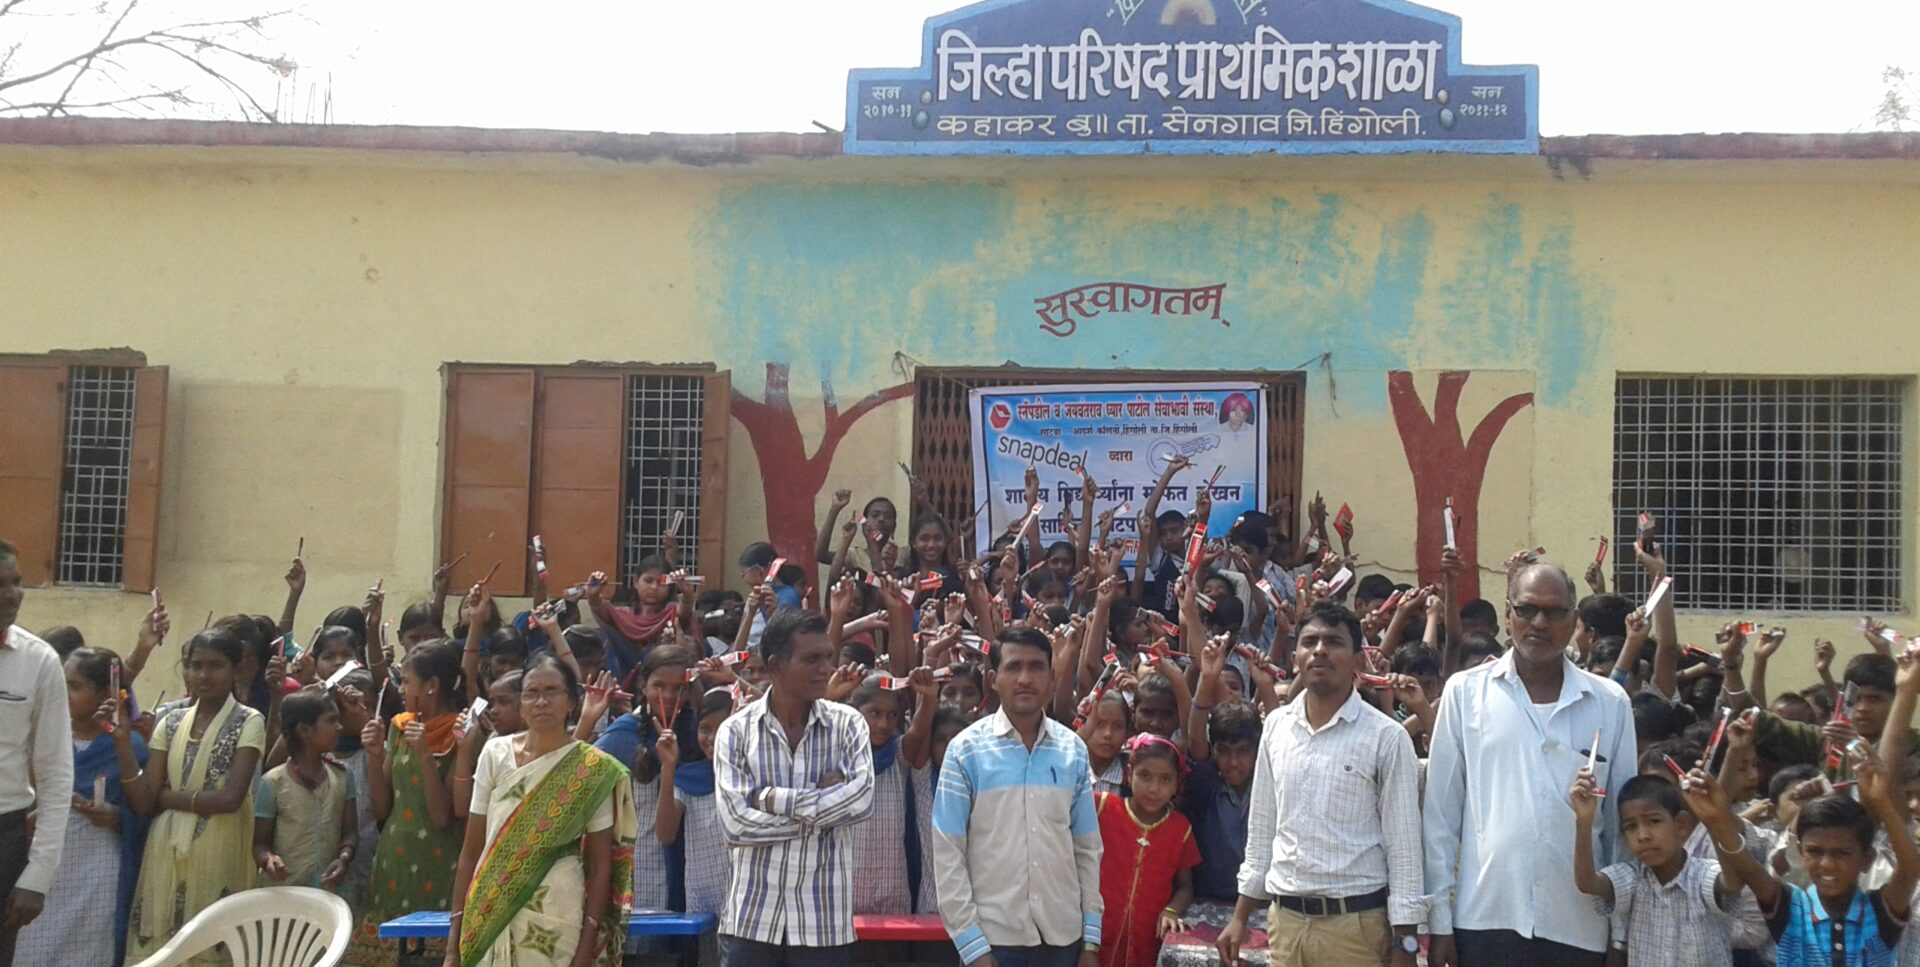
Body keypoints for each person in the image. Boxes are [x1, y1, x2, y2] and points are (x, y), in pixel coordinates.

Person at [1422, 564, 1638, 967]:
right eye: (1527, 609)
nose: (1539, 622)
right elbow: (1440, 818)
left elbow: (1621, 825)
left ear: (1573, 619)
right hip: (1484, 917)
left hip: (1579, 924)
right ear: (1508, 614)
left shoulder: (1610, 703)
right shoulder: (1465, 693)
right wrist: (1439, 922)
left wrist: (1621, 935)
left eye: (1554, 612)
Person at [1218, 602, 1423, 967]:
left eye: (1334, 642)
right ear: (1295, 658)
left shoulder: (1386, 737)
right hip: (1286, 925)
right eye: (1310, 641)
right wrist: (1240, 916)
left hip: (1356, 928)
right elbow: (1262, 831)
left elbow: (1404, 848)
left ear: (1357, 661)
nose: (1320, 651)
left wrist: (1405, 941)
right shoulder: (1277, 728)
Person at [446, 655, 636, 967]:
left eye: (551, 691)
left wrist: (585, 952)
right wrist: (453, 946)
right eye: (531, 693)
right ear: (521, 705)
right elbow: (471, 850)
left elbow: (601, 868)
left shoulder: (592, 769)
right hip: (489, 914)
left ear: (571, 702)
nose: (541, 701)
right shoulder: (495, 753)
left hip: (557, 920)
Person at [714, 609, 875, 965]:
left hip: (824, 922)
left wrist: (771, 799)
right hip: (751, 920)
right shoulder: (736, 732)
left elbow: (862, 800)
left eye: (827, 658)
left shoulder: (849, 724)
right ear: (776, 665)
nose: (826, 669)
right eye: (812, 659)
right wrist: (823, 810)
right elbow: (736, 826)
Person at [934, 627, 1102, 967]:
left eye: (1036, 667)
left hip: (1063, 938)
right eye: (1013, 667)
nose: (1025, 679)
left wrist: (1091, 939)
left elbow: (1086, 849)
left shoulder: (1072, 750)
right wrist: (972, 946)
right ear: (993, 679)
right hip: (993, 941)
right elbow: (948, 852)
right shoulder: (965, 751)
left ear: (1052, 678)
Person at [1683, 745, 1918, 967]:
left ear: (1867, 859)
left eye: (1842, 853)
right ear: (1801, 852)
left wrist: (1881, 802)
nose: (1827, 864)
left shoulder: (1880, 910)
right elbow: (1746, 866)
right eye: (1815, 851)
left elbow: (1910, 868)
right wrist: (1717, 818)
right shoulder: (1789, 906)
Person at [119, 629, 267, 963]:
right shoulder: (170, 722)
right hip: (166, 847)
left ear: (235, 669)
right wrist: (122, 743)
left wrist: (167, 798)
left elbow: (230, 799)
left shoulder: (249, 721)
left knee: (211, 944)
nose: (203, 675)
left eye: (215, 666)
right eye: (195, 665)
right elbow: (144, 802)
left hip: (221, 845)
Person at [15, 647, 148, 967]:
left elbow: (144, 812)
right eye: (61, 684)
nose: (63, 693)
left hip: (96, 871)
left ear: (105, 695)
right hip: (42, 865)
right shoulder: (40, 737)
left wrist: (114, 817)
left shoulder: (131, 745)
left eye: (74, 686)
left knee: (89, 951)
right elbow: (19, 798)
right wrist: (29, 819)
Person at [348, 639, 469, 967]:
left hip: (439, 859)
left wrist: (426, 756)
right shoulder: (400, 727)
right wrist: (375, 756)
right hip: (394, 858)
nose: (400, 689)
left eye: (405, 681)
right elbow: (382, 808)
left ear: (432, 685)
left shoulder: (460, 732)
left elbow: (443, 817)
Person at [1569, 773, 1735, 967]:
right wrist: (1584, 821)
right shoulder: (1633, 878)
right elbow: (1588, 883)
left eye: (1654, 821)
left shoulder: (1702, 875)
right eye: (1631, 827)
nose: (1643, 836)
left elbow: (1732, 883)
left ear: (1680, 824)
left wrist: (1716, 822)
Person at [0, 539, 73, 967]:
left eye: (17, 582)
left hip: (4, 840)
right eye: (0, 585)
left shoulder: (39, 661)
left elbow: (56, 772)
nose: (13, 595)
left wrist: (38, 874)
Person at [1095, 734, 1200, 967]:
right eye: (1144, 776)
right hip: (1095, 936)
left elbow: (1186, 887)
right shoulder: (1103, 808)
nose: (1154, 788)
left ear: (1177, 784)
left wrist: (1171, 910)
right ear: (1128, 773)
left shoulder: (1180, 829)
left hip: (1149, 939)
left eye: (1165, 779)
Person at [253, 688, 358, 891]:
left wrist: (344, 858)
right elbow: (259, 845)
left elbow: (350, 833)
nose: (339, 727)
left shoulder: (343, 777)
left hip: (331, 892)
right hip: (287, 892)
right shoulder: (273, 783)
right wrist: (269, 860)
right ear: (304, 730)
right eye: (331, 720)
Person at [656, 688, 736, 917]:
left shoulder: (749, 774)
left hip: (741, 900)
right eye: (705, 729)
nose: (711, 738)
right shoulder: (688, 778)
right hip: (702, 902)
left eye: (722, 728)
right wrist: (668, 767)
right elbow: (665, 834)